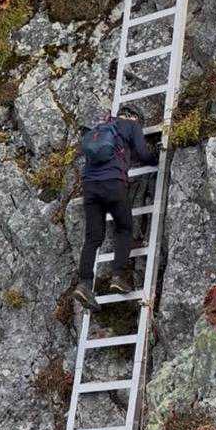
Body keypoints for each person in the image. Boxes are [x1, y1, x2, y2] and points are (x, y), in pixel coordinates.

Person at [72, 106, 159, 312]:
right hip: (113, 184)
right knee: (124, 228)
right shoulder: (131, 125)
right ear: (133, 116)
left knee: (93, 238)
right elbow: (142, 154)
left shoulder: (99, 128)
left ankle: (84, 284)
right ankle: (118, 276)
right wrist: (157, 157)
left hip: (90, 187)